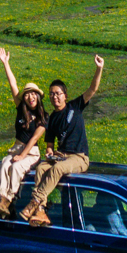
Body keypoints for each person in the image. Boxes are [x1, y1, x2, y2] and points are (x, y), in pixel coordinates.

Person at [21, 54, 104, 227]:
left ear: (65, 95)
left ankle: (34, 203)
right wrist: (49, 153)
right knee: (42, 168)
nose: (54, 97)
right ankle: (41, 211)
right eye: (51, 94)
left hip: (79, 157)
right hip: (61, 155)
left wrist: (99, 68)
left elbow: (93, 89)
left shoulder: (76, 106)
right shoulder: (51, 119)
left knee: (57, 169)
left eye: (57, 94)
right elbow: (49, 146)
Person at [0, 47, 46, 217]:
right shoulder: (21, 109)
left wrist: (22, 156)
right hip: (17, 148)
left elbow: (35, 137)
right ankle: (1, 199)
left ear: (38, 96)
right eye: (28, 95)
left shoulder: (44, 117)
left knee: (15, 168)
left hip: (31, 152)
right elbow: (13, 84)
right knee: (4, 165)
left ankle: (8, 200)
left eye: (33, 94)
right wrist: (6, 63)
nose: (30, 97)